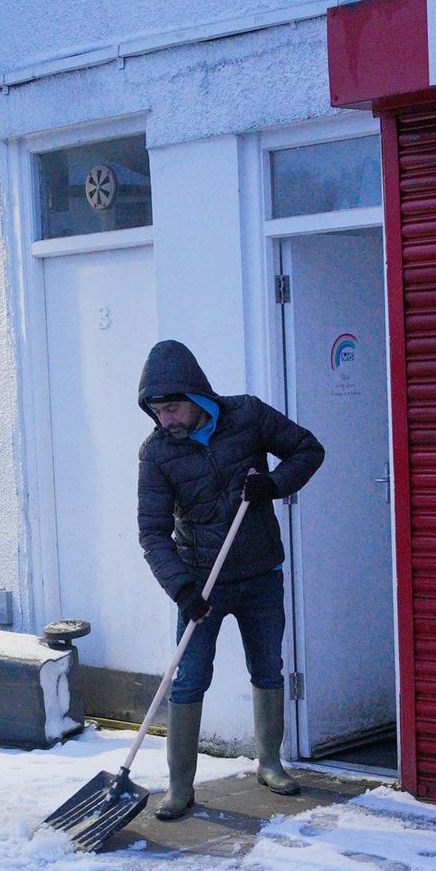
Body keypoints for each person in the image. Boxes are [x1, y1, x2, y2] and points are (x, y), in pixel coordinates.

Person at [135, 340, 324, 820]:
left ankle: (270, 763)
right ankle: (180, 788)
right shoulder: (157, 454)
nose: (167, 421)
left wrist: (274, 485)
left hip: (260, 572)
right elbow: (153, 533)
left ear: (196, 396)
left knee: (267, 667)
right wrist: (182, 589)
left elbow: (307, 449)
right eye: (158, 412)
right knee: (189, 680)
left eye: (173, 408)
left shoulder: (248, 416)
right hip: (202, 584)